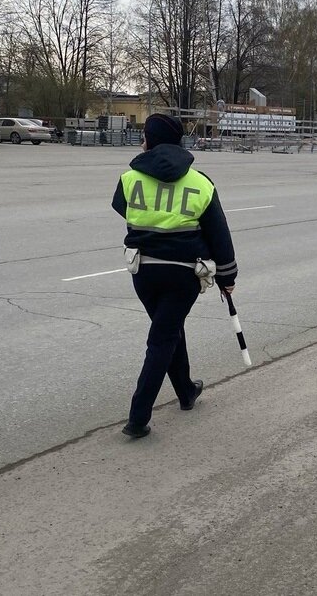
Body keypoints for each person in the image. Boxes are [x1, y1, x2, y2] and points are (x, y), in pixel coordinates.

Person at [111, 113, 238, 439]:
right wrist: (227, 275)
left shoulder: (129, 179)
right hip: (183, 275)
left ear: (150, 141)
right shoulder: (200, 183)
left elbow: (120, 207)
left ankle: (185, 390)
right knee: (163, 337)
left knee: (167, 332)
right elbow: (219, 235)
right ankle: (138, 418)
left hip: (143, 271)